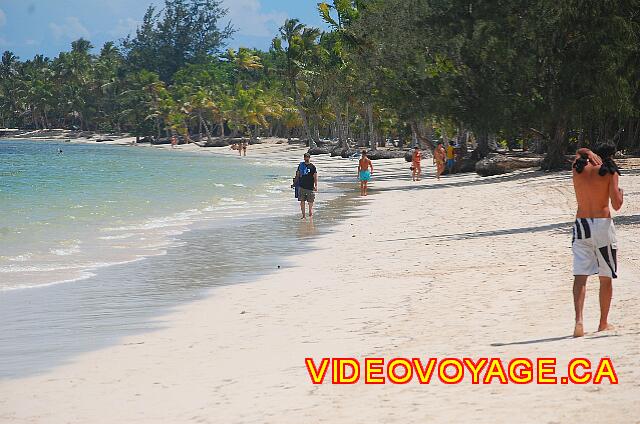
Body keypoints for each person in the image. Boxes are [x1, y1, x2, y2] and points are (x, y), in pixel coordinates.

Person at [571, 143, 624, 338]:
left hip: (581, 224)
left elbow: (579, 151)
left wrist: (586, 152)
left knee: (580, 275)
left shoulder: (578, 167)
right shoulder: (610, 172)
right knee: (606, 276)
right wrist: (622, 194)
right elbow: (616, 205)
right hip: (602, 225)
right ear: (611, 156)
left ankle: (579, 321)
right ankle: (603, 323)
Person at [295, 152, 318, 219]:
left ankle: (310, 213)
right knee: (302, 201)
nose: (306, 158)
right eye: (305, 157)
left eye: (307, 157)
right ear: (304, 158)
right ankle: (303, 215)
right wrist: (294, 183)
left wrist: (316, 185)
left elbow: (315, 177)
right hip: (302, 186)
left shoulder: (312, 167)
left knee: (310, 201)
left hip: (310, 187)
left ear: (309, 158)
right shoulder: (301, 165)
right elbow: (297, 175)